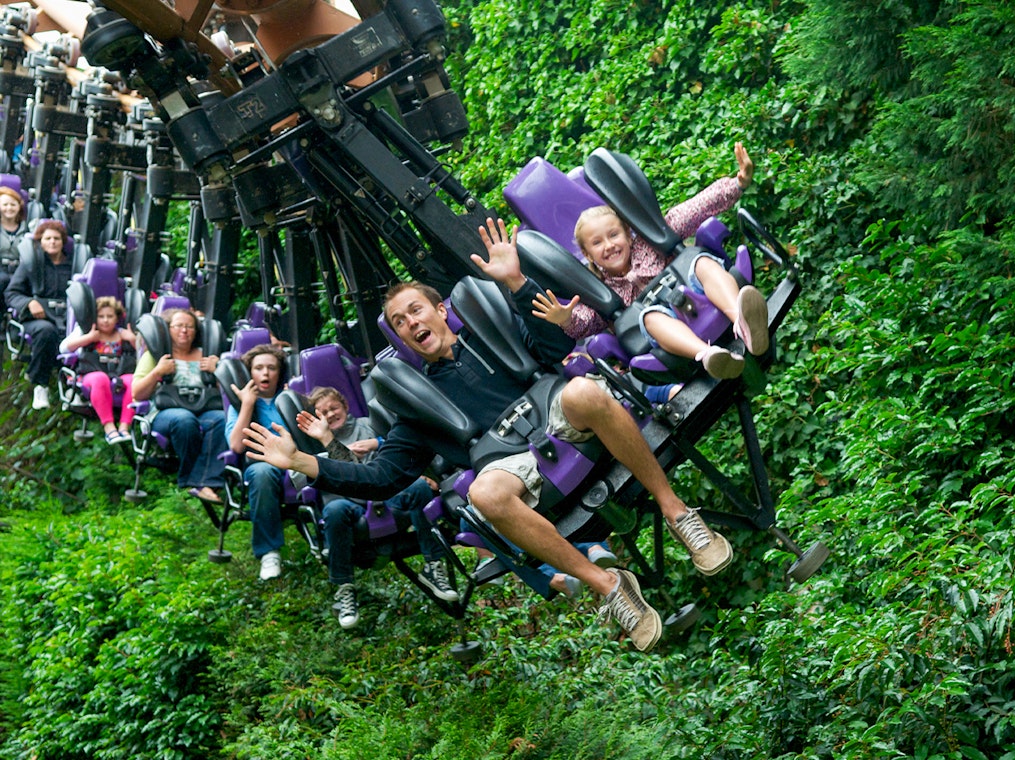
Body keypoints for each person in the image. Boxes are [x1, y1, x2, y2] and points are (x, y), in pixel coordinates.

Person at [242, 220, 734, 652]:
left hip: (557, 422)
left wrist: (517, 282)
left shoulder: (492, 333)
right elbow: (384, 477)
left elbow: (554, 345)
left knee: (584, 389)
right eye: (400, 323)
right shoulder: (417, 408)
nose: (412, 323)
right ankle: (607, 586)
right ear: (400, 339)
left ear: (439, 310)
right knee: (482, 490)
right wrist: (306, 463)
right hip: (513, 466)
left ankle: (677, 512)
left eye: (417, 311)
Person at [532, 142, 769, 380]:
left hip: (701, 298)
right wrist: (565, 319)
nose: (609, 245)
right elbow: (584, 322)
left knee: (700, 262)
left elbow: (696, 209)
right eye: (597, 243)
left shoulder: (652, 238)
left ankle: (742, 320)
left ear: (627, 232)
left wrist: (737, 184)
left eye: (614, 235)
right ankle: (709, 356)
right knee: (648, 317)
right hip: (671, 335)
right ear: (588, 254)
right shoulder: (599, 290)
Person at [296, 386, 451, 628]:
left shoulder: (368, 424)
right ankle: (343, 588)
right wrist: (326, 442)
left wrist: (376, 443)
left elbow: (400, 445)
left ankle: (434, 564)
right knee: (334, 511)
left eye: (333, 408)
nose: (329, 415)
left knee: (419, 488)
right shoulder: (313, 441)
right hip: (348, 506)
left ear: (346, 407)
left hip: (387, 498)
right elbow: (349, 475)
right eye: (322, 412)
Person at [130, 308, 226, 503]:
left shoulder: (207, 355)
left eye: (189, 327)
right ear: (168, 329)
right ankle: (189, 481)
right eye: (179, 326)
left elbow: (226, 393)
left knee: (222, 420)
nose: (185, 331)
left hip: (204, 408)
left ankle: (206, 483)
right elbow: (137, 393)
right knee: (184, 420)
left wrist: (218, 372)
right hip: (165, 413)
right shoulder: (156, 355)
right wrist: (158, 371)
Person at [225, 343, 291, 581]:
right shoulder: (239, 406)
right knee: (261, 473)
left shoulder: (290, 398)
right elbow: (236, 446)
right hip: (264, 462)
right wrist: (247, 404)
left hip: (296, 458)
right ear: (249, 373)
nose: (265, 374)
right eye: (259, 368)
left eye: (271, 368)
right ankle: (269, 552)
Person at [5, 219, 72, 409]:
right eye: (47, 238)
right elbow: (12, 293)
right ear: (40, 241)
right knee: (46, 332)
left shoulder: (73, 266)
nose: (52, 242)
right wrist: (29, 302)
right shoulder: (31, 265)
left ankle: (72, 386)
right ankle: (40, 384)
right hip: (38, 318)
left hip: (67, 317)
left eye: (56, 238)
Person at [59, 295, 138, 443]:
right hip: (91, 374)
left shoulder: (123, 333)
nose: (106, 320)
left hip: (119, 374)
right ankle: (109, 428)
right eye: (101, 316)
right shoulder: (86, 331)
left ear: (117, 317)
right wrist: (87, 339)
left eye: (110, 316)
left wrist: (133, 340)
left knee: (134, 380)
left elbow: (144, 354)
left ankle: (124, 427)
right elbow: (63, 348)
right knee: (100, 378)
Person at [0, 186, 29, 313]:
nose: (9, 208)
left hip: (19, 269)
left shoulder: (28, 229)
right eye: (5, 204)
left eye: (13, 204)